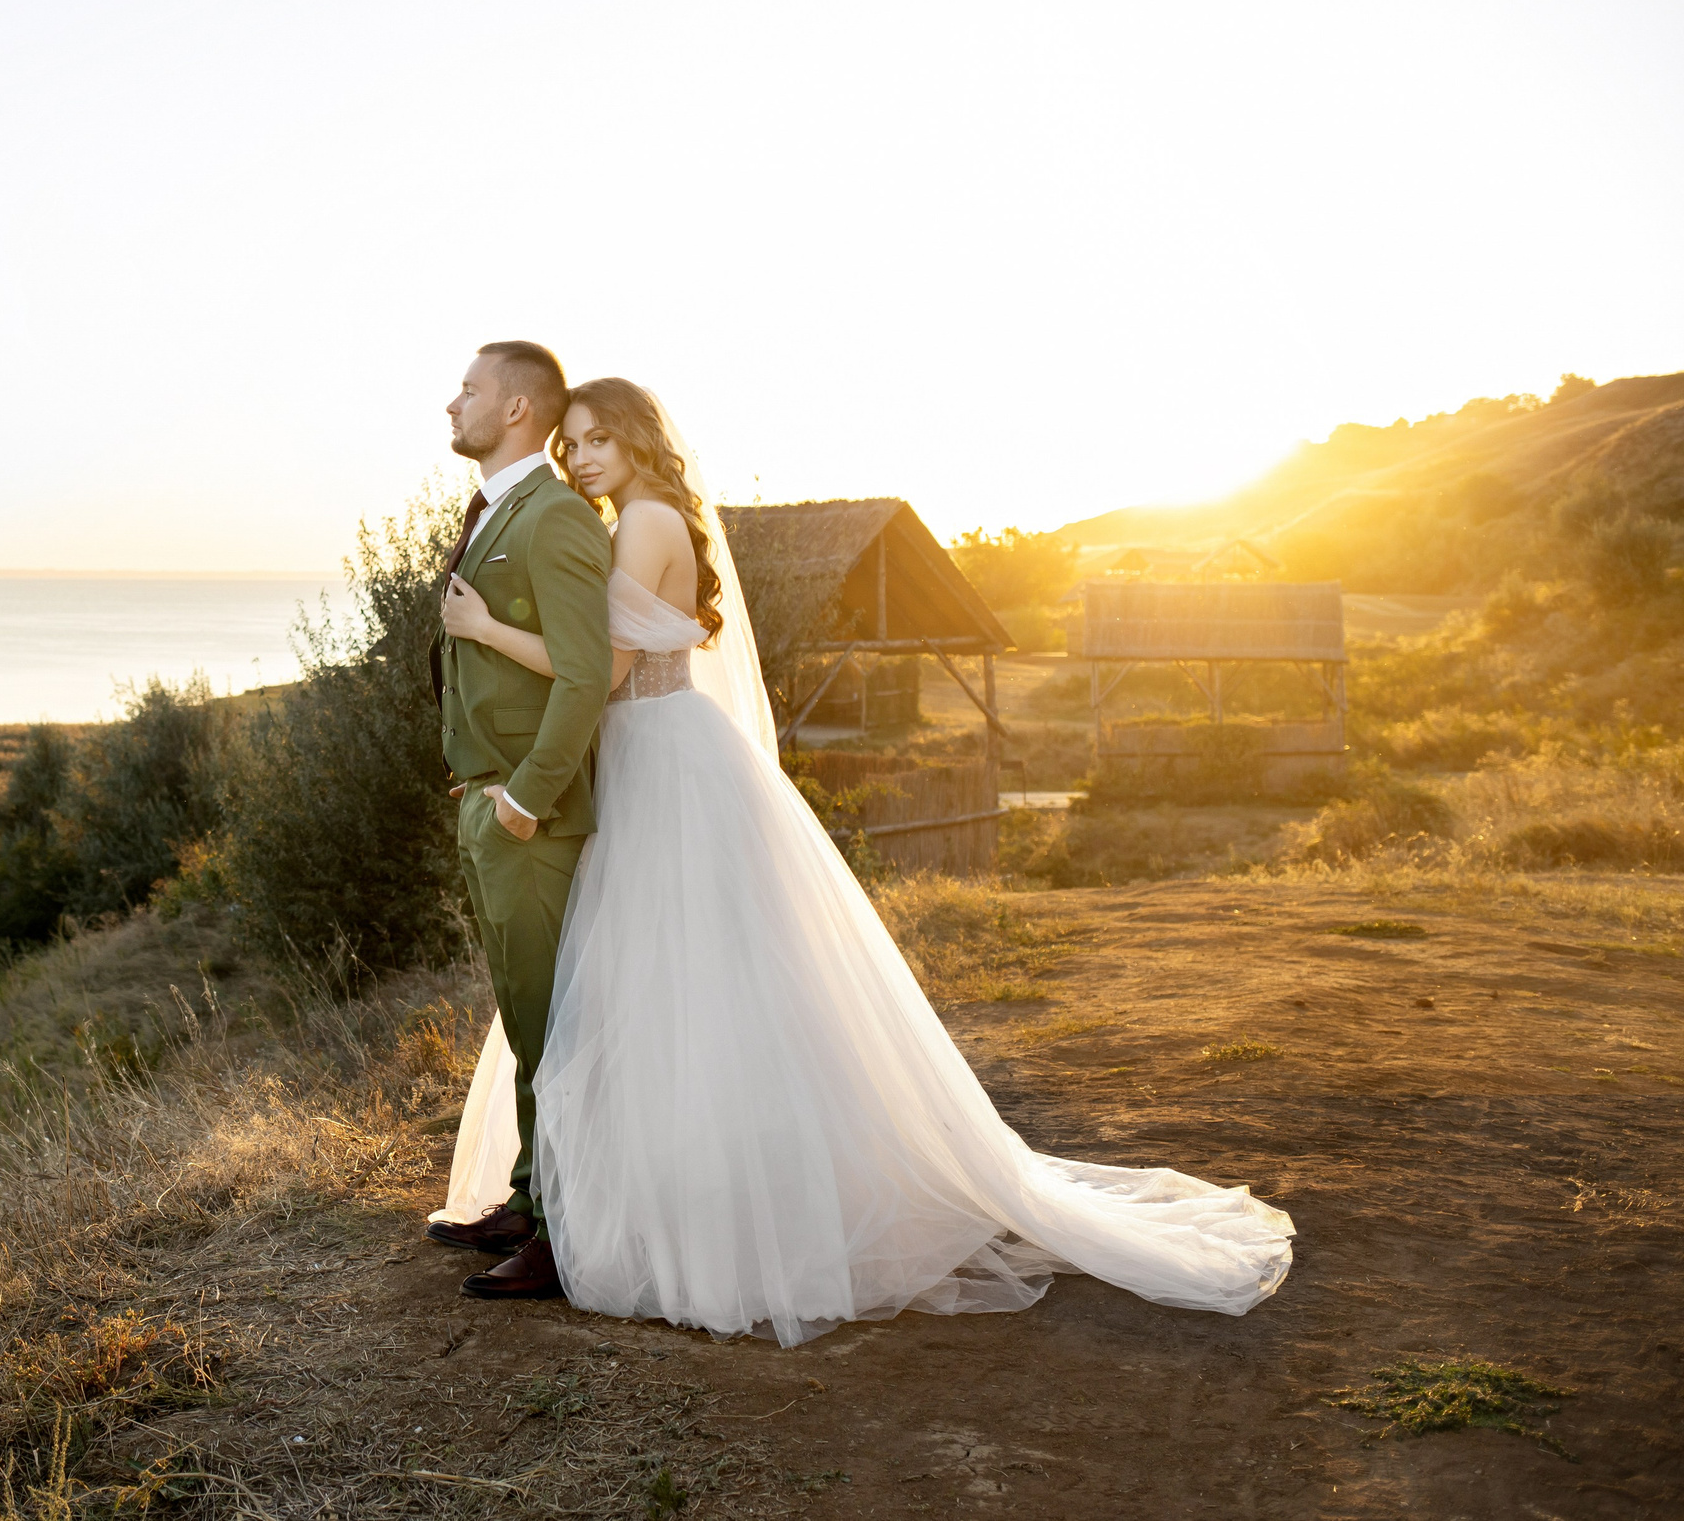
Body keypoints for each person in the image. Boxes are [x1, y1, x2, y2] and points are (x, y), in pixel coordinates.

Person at [431, 376, 1295, 1342]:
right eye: (572, 445)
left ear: (634, 439)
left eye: (596, 440)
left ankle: (670, 1206)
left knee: (660, 970)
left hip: (653, 753)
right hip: (666, 748)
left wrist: (486, 628)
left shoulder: (641, 524)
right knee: (687, 973)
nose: (579, 458)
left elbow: (606, 670)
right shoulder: (652, 512)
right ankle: (630, 1186)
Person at [421, 341, 613, 1301]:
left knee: (554, 1029)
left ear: (517, 413)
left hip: (529, 817)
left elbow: (586, 678)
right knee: (528, 1020)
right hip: (487, 803)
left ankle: (565, 1233)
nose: (450, 402)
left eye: (468, 389)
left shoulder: (557, 520)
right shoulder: (500, 509)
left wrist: (527, 799)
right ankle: (536, 1196)